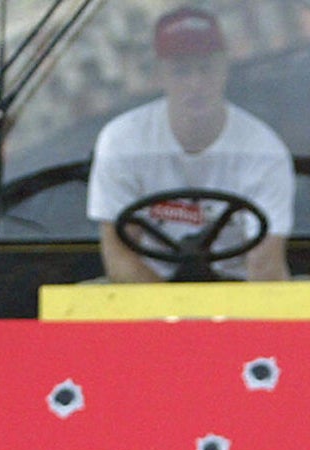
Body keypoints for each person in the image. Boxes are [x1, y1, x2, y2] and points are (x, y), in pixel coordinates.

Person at [86, 7, 294, 282]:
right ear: (160, 75)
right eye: (181, 71)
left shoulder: (263, 149)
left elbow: (265, 267)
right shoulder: (122, 141)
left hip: (240, 291)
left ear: (224, 69)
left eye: (206, 68)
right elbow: (119, 257)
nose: (196, 83)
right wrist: (173, 318)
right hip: (145, 292)